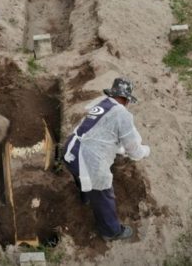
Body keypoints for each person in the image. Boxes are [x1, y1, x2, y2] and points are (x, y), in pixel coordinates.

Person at [62, 77, 151, 241]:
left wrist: (119, 148)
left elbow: (102, 135)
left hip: (70, 152)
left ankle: (86, 197)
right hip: (87, 160)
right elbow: (134, 151)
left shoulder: (102, 104)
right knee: (104, 194)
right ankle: (110, 231)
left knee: (83, 177)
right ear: (126, 99)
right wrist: (145, 150)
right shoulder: (122, 114)